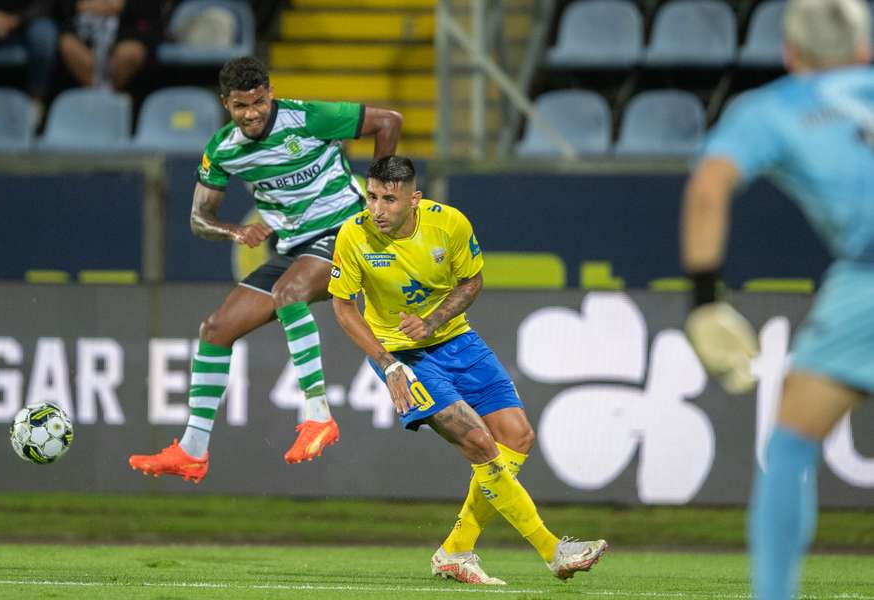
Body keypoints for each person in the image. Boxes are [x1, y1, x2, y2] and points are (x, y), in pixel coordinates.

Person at [329, 155, 608, 585]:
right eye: (371, 197)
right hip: (403, 357)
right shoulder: (354, 235)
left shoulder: (450, 225)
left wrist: (433, 321)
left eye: (389, 198)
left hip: (456, 340)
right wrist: (387, 366)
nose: (377, 209)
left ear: (414, 200)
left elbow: (472, 281)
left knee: (517, 436)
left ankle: (456, 550)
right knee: (480, 442)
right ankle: (554, 550)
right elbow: (343, 307)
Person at [129, 56, 403, 481]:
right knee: (216, 329)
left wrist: (380, 193)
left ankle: (318, 415)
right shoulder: (224, 150)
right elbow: (199, 219)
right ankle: (192, 449)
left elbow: (389, 121)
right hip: (296, 247)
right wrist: (233, 231)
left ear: (270, 93)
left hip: (348, 231)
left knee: (289, 293)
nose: (252, 113)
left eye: (259, 102)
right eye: (241, 106)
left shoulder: (309, 117)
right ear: (226, 104)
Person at [680, 1, 874, 598]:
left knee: (792, 443)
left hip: (867, 283)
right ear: (865, 49)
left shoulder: (770, 109)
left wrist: (706, 298)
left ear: (791, 54)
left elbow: (710, 189)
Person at [55, 0, 163, 92]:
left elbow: (152, 28)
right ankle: (99, 98)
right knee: (67, 43)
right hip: (82, 41)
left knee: (130, 52)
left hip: (124, 40)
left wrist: (122, 7)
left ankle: (108, 100)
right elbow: (62, 17)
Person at [0, 1, 57, 113]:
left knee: (44, 34)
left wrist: (16, 19)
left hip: (27, 20)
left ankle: (35, 101)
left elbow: (44, 4)